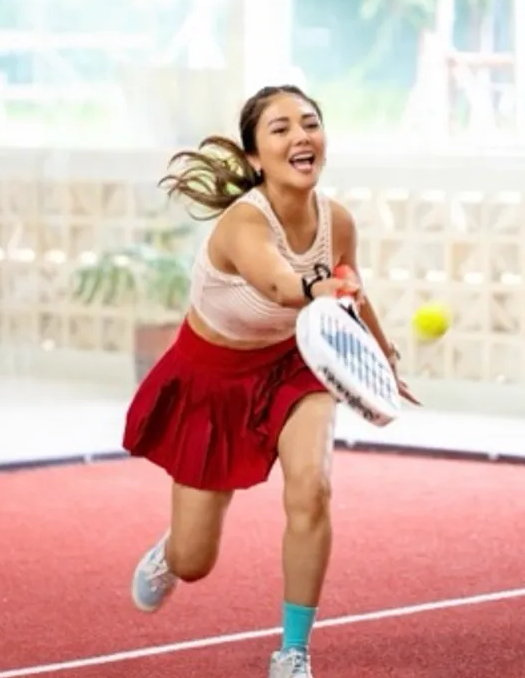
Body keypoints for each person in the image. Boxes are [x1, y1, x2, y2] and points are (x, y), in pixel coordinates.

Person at [122, 84, 411, 678]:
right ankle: (171, 552)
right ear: (255, 156)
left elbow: (351, 290)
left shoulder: (337, 221)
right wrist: (317, 288)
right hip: (213, 377)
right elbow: (279, 283)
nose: (301, 136)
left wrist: (383, 357)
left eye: (310, 123)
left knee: (312, 489)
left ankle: (293, 651)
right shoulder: (243, 224)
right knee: (196, 559)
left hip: (296, 361)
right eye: (280, 129)